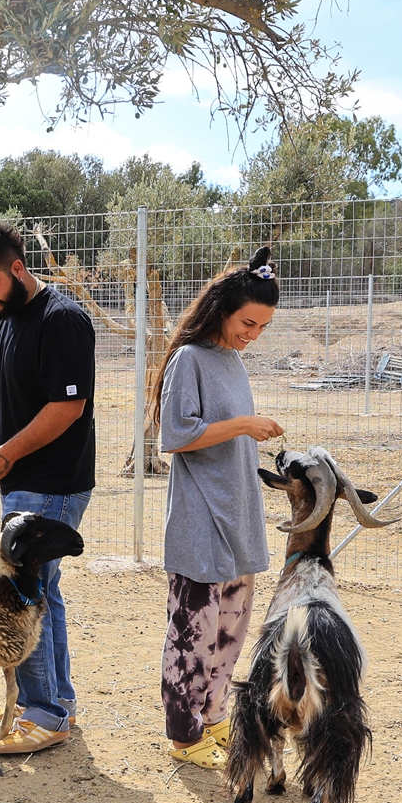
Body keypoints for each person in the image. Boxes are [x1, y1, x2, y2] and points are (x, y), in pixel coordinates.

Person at [0, 222, 95, 754]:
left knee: (22, 594)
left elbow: (67, 407)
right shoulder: (6, 322)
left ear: (18, 268)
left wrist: (9, 453)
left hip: (52, 483)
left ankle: (42, 712)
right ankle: (57, 703)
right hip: (20, 479)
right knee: (44, 591)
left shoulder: (61, 319)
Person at [154, 246, 285, 768]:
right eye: (247, 322)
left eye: (262, 327)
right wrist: (246, 426)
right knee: (193, 631)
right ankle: (184, 737)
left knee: (229, 629)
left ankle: (214, 717)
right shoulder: (190, 359)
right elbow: (176, 434)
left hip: (237, 518)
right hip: (201, 519)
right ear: (223, 310)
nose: (252, 335)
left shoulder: (231, 361)